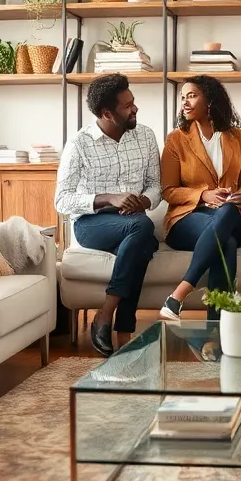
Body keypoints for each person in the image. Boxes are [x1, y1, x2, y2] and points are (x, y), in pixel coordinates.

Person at [53, 73, 162, 357]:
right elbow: (61, 200)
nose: (135, 108)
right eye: (127, 106)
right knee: (143, 231)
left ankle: (109, 317)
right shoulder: (79, 144)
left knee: (141, 241)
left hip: (133, 221)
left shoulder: (146, 136)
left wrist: (144, 200)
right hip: (92, 224)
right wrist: (108, 198)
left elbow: (155, 185)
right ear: (106, 113)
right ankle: (120, 326)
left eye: (133, 102)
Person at [158, 74, 241, 321]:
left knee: (228, 212)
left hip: (230, 215)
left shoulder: (237, 137)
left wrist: (239, 199)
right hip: (186, 219)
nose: (185, 103)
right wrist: (203, 195)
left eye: (191, 96)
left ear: (210, 99)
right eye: (183, 97)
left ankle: (179, 295)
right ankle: (216, 329)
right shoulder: (176, 139)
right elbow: (168, 190)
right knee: (228, 244)